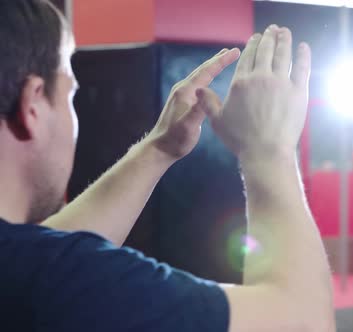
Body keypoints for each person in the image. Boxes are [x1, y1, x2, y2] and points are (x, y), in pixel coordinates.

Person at [0, 1, 334, 331]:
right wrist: (268, 149)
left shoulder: (27, 268)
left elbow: (47, 255)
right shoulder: (70, 280)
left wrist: (160, 147)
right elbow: (305, 322)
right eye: (70, 95)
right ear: (33, 105)